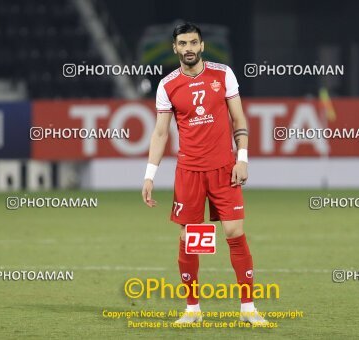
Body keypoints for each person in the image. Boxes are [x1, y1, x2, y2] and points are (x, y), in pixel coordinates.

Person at [141, 22, 267, 325]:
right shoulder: (167, 85)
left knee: (234, 233)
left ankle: (248, 308)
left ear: (202, 46)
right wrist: (149, 175)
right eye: (182, 43)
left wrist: (243, 159)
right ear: (175, 48)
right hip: (190, 171)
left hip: (225, 168)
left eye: (193, 43)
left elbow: (238, 118)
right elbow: (160, 134)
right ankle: (193, 309)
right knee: (191, 239)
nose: (188, 49)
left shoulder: (222, 74)